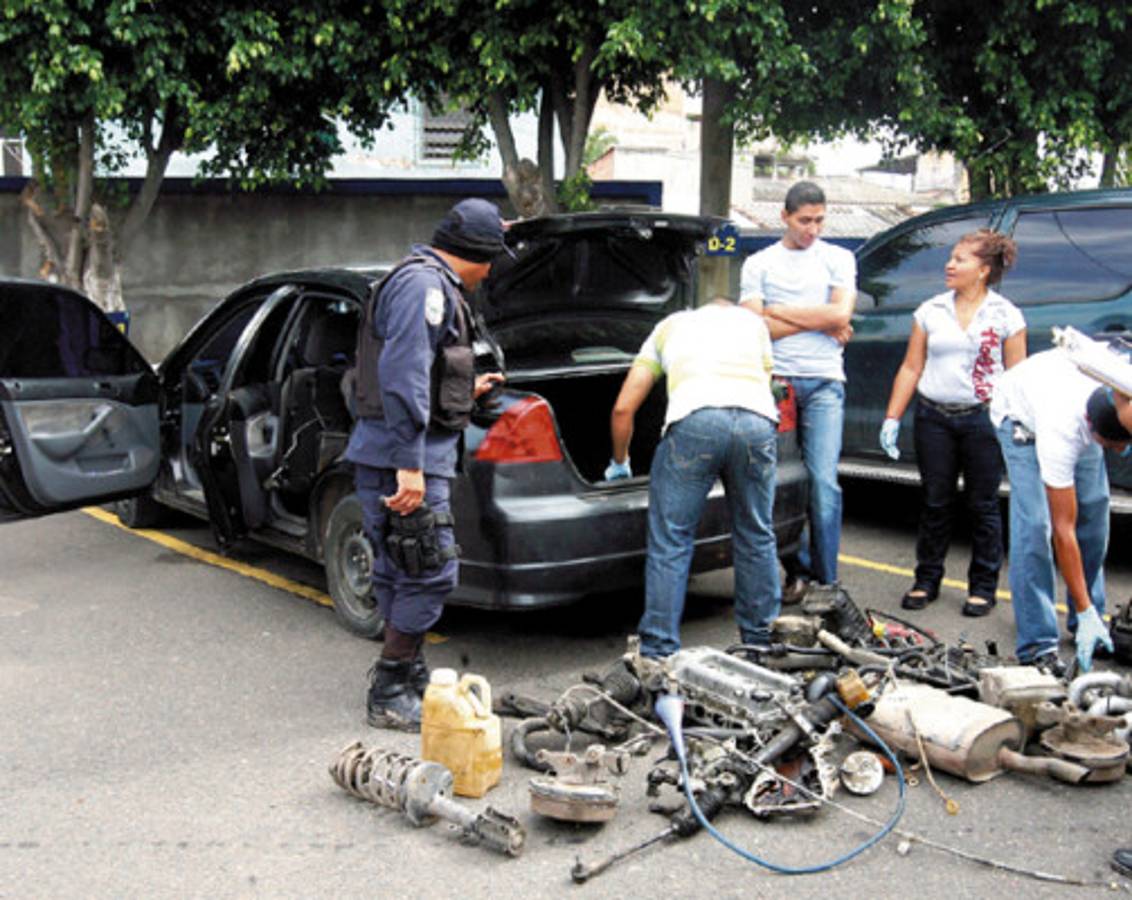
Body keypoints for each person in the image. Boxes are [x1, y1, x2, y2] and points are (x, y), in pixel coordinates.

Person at [346, 198, 507, 730]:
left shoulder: (429, 284)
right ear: (475, 253)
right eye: (491, 259)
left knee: (402, 566)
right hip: (404, 458)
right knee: (430, 568)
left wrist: (467, 386)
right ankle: (391, 686)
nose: (490, 272)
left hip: (399, 452)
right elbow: (403, 373)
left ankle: (407, 673)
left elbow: (426, 371)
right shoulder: (424, 287)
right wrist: (409, 465)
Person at [604, 297, 781, 658]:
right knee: (756, 533)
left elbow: (623, 408)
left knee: (671, 540)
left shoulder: (668, 327)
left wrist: (619, 459)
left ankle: (658, 650)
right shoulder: (754, 326)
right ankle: (760, 642)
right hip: (757, 424)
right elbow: (765, 384)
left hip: (696, 421)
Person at [878, 230, 1025, 617]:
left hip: (983, 419)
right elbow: (912, 366)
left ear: (983, 269)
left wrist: (1020, 423)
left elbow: (1016, 376)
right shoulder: (931, 310)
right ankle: (926, 580)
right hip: (934, 417)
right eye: (951, 257)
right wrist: (892, 416)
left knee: (983, 505)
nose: (950, 264)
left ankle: (983, 587)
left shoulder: (1006, 314)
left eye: (961, 259)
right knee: (935, 501)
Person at [740, 181, 856, 603]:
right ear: (785, 218)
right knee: (776, 484)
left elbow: (842, 312)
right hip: (777, 384)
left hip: (826, 381)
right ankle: (798, 570)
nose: (813, 229)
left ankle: (828, 582)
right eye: (805, 220)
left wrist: (778, 311)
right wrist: (823, 320)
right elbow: (755, 326)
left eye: (820, 220)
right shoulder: (759, 264)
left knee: (824, 484)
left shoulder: (839, 258)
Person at [990, 347, 1127, 675]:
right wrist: (1081, 602)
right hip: (1021, 421)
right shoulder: (1060, 435)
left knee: (1095, 517)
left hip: (1073, 396)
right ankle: (1038, 644)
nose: (1121, 452)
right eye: (1114, 447)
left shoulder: (1121, 381)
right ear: (1096, 436)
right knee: (1036, 527)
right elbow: (1063, 530)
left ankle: (1087, 622)